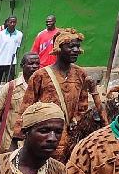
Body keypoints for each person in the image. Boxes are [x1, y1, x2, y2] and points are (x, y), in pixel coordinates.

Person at [14, 30, 92, 163]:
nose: (75, 50)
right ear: (58, 48)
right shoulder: (41, 75)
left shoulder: (81, 74)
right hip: (44, 138)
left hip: (71, 139)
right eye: (70, 46)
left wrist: (77, 126)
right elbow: (26, 107)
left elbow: (83, 106)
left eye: (77, 46)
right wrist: (17, 138)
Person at [0, 52, 40, 155]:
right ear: (22, 66)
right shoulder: (11, 87)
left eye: (37, 64)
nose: (35, 67)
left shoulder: (42, 88)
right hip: (9, 144)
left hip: (32, 145)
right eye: (31, 63)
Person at [0, 17, 23, 107]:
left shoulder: (19, 34)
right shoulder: (1, 34)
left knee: (10, 86)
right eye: (10, 22)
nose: (12, 24)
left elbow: (17, 49)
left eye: (14, 22)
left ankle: (7, 104)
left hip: (11, 63)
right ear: (7, 23)